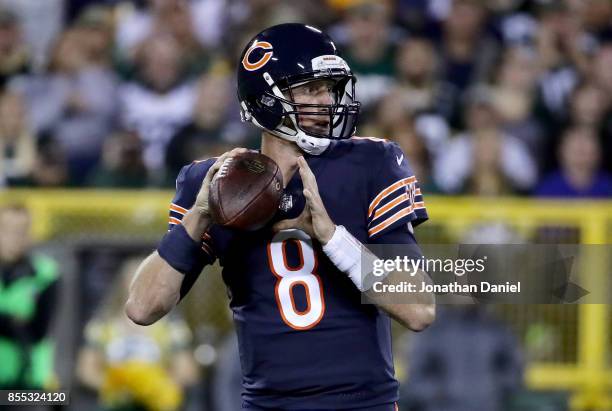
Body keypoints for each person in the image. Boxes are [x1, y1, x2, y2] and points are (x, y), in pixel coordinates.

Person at [126, 23, 435, 410]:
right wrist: (199, 216)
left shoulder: (372, 163)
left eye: (328, 88)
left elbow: (420, 307)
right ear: (265, 99)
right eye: (310, 89)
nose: (325, 101)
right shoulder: (214, 181)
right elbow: (141, 308)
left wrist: (332, 237)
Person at [77, 257, 198, 411]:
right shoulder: (102, 326)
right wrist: (117, 386)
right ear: (123, 283)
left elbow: (187, 371)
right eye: (137, 278)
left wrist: (154, 387)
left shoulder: (172, 328)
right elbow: (85, 370)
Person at [0, 204, 60, 392]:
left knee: (59, 398)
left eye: (21, 231)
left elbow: (38, 329)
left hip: (30, 381)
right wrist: (14, 321)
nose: (13, 238)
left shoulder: (45, 273)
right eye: (7, 230)